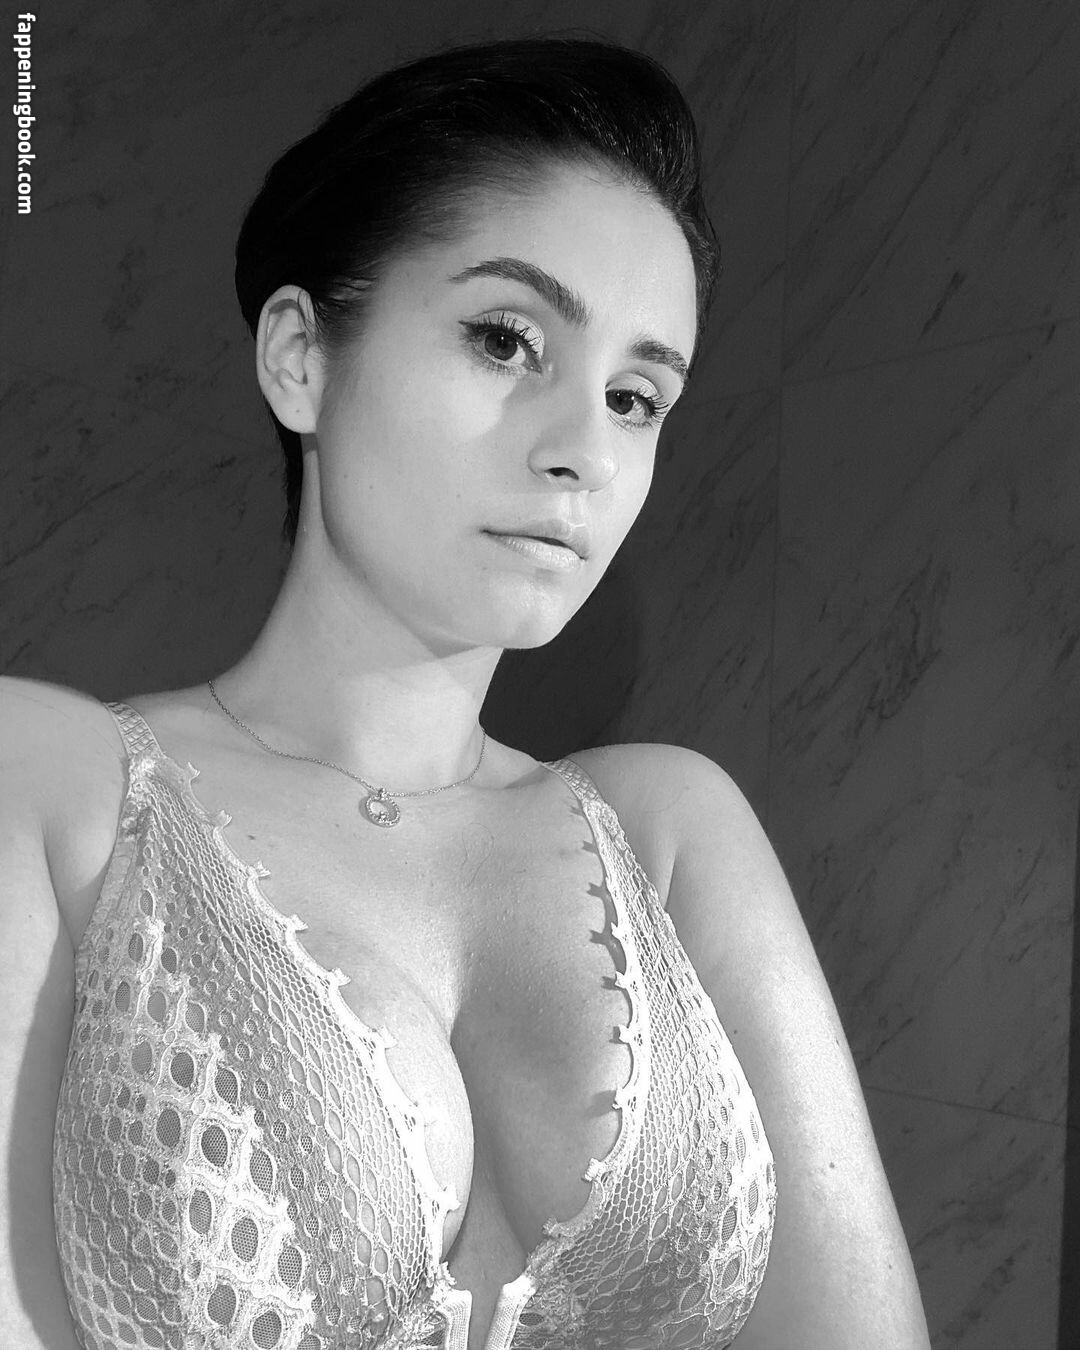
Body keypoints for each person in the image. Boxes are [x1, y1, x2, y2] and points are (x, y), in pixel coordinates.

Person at [0, 34, 931, 1350]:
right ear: (300, 357)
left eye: (637, 396)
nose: (585, 449)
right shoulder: (56, 785)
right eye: (506, 339)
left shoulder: (671, 831)